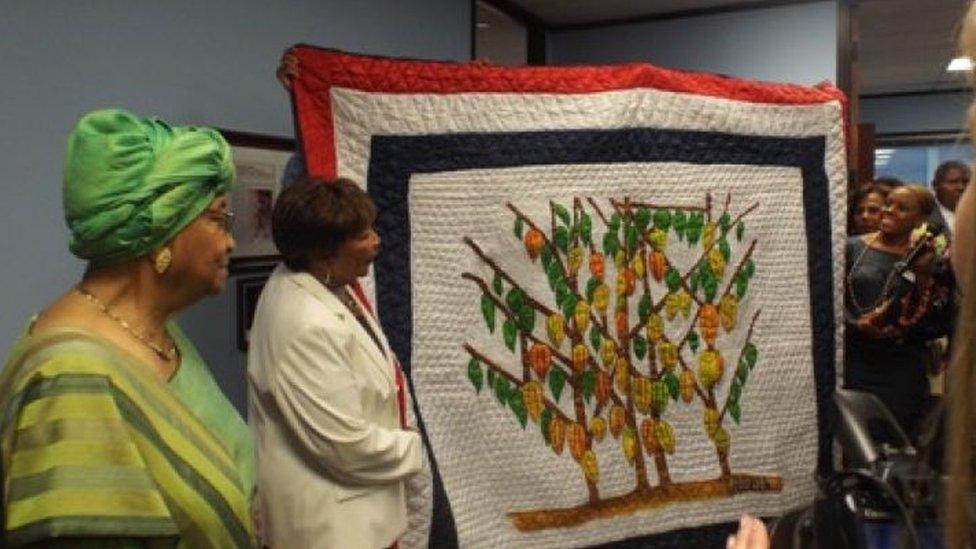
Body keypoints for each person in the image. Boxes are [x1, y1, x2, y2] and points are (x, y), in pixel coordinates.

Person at [0, 108, 255, 546]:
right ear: (161, 230)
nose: (230, 241)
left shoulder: (158, 336)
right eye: (218, 219)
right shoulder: (71, 377)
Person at [248, 178, 423, 548]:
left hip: (353, 519)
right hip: (331, 530)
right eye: (361, 236)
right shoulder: (306, 323)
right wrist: (418, 448)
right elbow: (343, 445)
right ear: (325, 252)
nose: (376, 241)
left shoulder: (326, 286)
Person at [844, 185, 952, 440]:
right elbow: (830, 299)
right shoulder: (851, 247)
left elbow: (942, 319)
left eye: (901, 208)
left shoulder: (929, 261)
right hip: (856, 362)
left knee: (898, 443)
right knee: (855, 442)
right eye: (889, 203)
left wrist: (924, 274)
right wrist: (855, 324)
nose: (888, 211)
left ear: (920, 220)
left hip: (902, 368)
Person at [928, 160, 971, 237]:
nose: (961, 187)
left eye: (966, 182)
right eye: (953, 182)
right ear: (935, 185)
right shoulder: (923, 218)